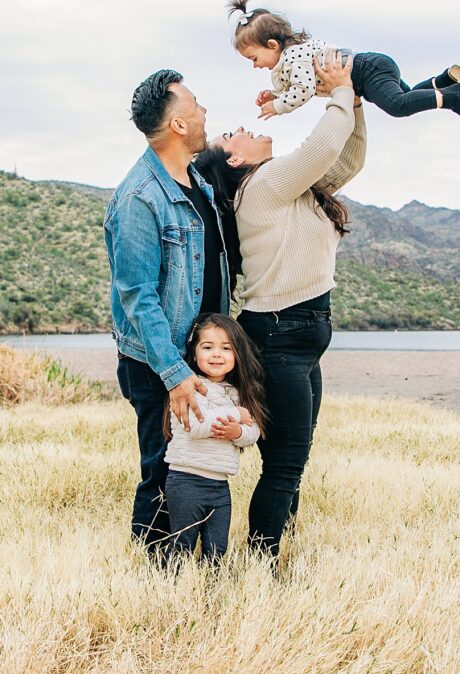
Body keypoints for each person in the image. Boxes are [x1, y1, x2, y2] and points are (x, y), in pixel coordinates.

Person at [194, 52, 366, 558]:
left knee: (292, 460)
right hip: (280, 338)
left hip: (298, 338)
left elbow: (346, 159)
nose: (244, 127)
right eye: (233, 134)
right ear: (235, 159)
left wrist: (352, 100)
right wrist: (335, 91)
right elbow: (321, 145)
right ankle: (262, 564)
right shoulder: (265, 184)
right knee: (285, 463)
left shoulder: (286, 189)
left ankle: (273, 555)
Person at [104, 69, 231, 556]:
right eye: (196, 106)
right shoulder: (140, 197)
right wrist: (175, 374)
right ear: (178, 124)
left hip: (191, 357)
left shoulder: (193, 179)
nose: (204, 114)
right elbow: (138, 295)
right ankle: (153, 573)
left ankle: (185, 564)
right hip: (160, 363)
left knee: (197, 464)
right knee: (162, 469)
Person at [227, 0, 460, 128]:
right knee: (409, 96)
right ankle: (444, 79)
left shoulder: (293, 56)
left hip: (366, 71)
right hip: (371, 66)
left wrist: (278, 106)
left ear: (272, 45)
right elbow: (296, 85)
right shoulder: (294, 56)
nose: (255, 65)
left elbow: (303, 89)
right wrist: (274, 95)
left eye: (254, 58)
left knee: (397, 105)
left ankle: (454, 96)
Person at [163, 313, 267, 561]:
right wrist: (235, 414)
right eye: (207, 347)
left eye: (226, 348)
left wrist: (238, 431)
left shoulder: (238, 392)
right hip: (186, 480)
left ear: (237, 355)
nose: (216, 354)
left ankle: (211, 592)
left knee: (217, 549)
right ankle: (168, 589)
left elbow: (253, 432)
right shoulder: (189, 386)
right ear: (194, 352)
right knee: (181, 544)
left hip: (220, 484)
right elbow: (197, 426)